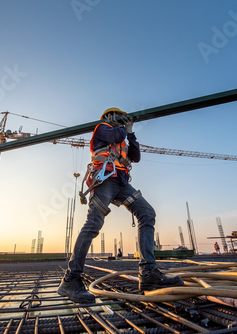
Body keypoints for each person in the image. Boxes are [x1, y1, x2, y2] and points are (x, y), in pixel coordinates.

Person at [58, 107, 184, 303]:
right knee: (93, 225)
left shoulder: (123, 136)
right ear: (108, 117)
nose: (119, 119)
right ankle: (71, 280)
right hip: (104, 180)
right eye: (115, 116)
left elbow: (136, 156)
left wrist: (132, 132)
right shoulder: (102, 128)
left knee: (146, 213)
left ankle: (148, 274)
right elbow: (116, 134)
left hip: (121, 183)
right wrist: (124, 127)